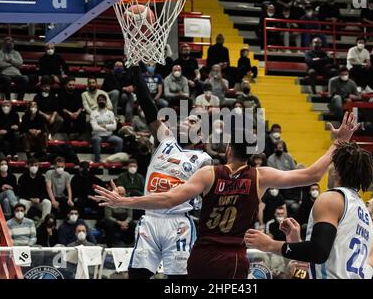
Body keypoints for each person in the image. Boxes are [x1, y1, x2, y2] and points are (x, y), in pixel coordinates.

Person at [92, 112, 358, 278]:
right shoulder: (260, 175)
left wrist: (125, 201)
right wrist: (338, 142)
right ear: (252, 154)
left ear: (229, 149)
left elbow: (169, 199)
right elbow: (311, 175)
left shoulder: (209, 173)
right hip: (232, 258)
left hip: (202, 256)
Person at [95, 65, 213, 279]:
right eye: (186, 119)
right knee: (137, 275)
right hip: (150, 219)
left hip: (178, 223)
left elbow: (206, 196)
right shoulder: (164, 141)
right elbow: (149, 108)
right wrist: (137, 75)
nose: (186, 121)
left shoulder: (204, 160)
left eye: (193, 121)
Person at [245, 141, 373, 279]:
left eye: (331, 164)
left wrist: (270, 245)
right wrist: (297, 242)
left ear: (337, 171)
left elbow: (318, 252)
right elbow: (333, 254)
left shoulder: (332, 198)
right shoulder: (363, 210)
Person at [90, 94, 123, 162]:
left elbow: (114, 127)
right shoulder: (93, 113)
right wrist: (108, 126)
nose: (101, 101)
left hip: (109, 135)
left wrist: (102, 126)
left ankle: (115, 159)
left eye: (102, 100)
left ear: (106, 101)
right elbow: (94, 128)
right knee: (96, 140)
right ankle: (97, 160)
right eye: (99, 100)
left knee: (119, 140)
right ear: (97, 102)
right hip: (97, 135)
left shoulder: (110, 113)